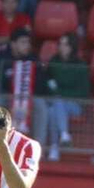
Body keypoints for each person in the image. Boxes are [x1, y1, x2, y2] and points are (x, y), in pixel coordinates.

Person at [37, 31, 87, 161]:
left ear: (72, 47)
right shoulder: (54, 61)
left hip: (75, 105)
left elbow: (83, 92)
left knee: (57, 101)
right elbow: (47, 82)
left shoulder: (80, 65)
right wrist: (58, 94)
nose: (61, 47)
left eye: (65, 45)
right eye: (60, 44)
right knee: (53, 109)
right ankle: (61, 138)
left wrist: (61, 94)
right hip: (57, 102)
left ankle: (56, 145)